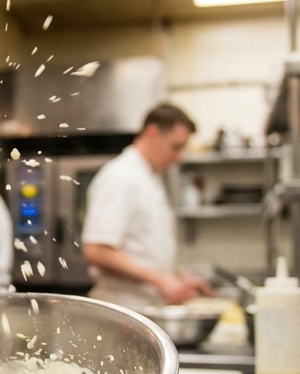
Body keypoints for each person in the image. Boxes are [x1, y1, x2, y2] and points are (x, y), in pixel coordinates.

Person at [81, 103, 212, 310]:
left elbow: (143, 249)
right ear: (152, 133)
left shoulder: (150, 177)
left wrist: (176, 277)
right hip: (123, 309)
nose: (179, 157)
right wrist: (161, 280)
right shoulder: (120, 177)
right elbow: (97, 250)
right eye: (176, 147)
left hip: (145, 308)